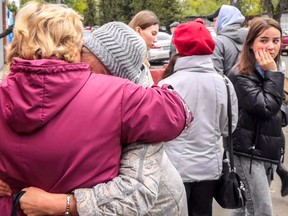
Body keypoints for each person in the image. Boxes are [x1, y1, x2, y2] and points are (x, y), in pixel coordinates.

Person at [0, 2, 191, 215]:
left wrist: (61, 204)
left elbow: (137, 192)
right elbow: (179, 111)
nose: (86, 75)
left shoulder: (125, 100)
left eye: (97, 71)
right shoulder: (117, 96)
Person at [159, 20, 238, 216]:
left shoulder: (167, 85)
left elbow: (159, 130)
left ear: (178, 47)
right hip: (209, 166)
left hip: (174, 168)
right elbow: (229, 127)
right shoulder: (225, 84)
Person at [227, 17, 285, 216]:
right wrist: (274, 75)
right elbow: (267, 108)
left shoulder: (270, 71)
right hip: (248, 151)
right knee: (261, 210)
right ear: (251, 44)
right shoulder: (240, 74)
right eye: (264, 40)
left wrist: (273, 75)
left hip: (267, 148)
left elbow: (281, 110)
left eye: (275, 41)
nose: (270, 46)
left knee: (245, 207)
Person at [207, 5, 248, 75]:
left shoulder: (217, 42)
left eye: (215, 20)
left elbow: (216, 76)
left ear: (224, 19)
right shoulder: (250, 38)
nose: (213, 25)